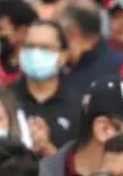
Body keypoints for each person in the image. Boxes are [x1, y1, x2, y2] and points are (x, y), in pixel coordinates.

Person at [10, 18, 82, 157]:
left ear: (63, 55)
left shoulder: (78, 105)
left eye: (45, 48)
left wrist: (46, 148)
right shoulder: (4, 98)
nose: (36, 54)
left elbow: (78, 169)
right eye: (30, 46)